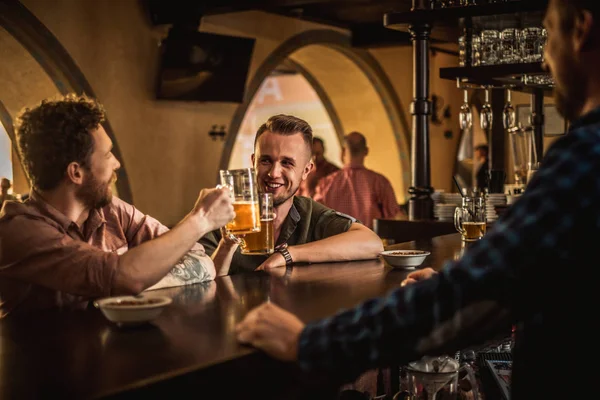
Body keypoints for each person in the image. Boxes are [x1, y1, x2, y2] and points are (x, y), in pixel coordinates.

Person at [234, 1, 600, 398]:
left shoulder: (587, 155)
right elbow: (513, 290)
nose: (547, 60)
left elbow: (477, 294)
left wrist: (310, 344)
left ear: (580, 29)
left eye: (549, 35)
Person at [0, 94, 234, 316]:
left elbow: (201, 262)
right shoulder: (18, 231)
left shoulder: (110, 210)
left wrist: (140, 279)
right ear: (76, 172)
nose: (117, 163)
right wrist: (201, 218)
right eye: (108, 154)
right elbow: (124, 277)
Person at [200, 115, 383, 275]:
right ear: (254, 162)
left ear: (306, 170)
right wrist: (227, 245)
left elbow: (372, 243)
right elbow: (199, 288)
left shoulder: (310, 213)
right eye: (266, 160)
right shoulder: (220, 213)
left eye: (287, 163)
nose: (274, 173)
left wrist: (289, 255)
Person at [313, 131, 403, 229]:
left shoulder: (325, 184)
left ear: (343, 151)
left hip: (336, 242)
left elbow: (316, 219)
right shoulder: (380, 182)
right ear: (366, 151)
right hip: (369, 242)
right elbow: (394, 218)